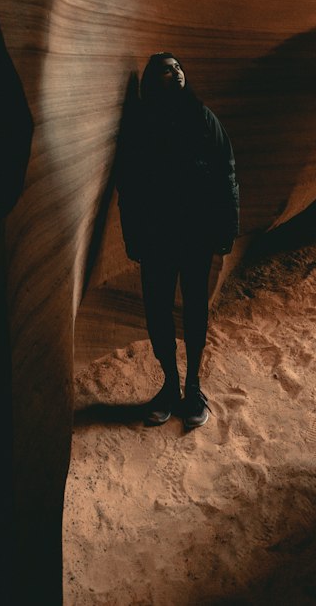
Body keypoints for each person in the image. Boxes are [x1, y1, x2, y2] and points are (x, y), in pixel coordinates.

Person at [117, 53, 239, 429]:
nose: (177, 72)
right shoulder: (141, 124)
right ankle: (171, 384)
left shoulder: (202, 117)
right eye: (167, 69)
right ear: (154, 80)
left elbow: (226, 170)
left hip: (196, 232)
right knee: (157, 310)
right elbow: (130, 184)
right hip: (157, 235)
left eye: (180, 66)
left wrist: (227, 226)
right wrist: (133, 235)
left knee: (196, 310)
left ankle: (193, 387)